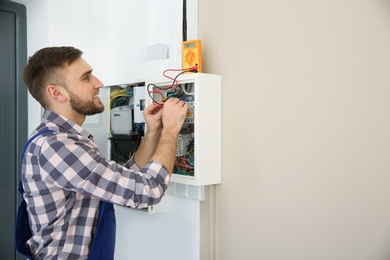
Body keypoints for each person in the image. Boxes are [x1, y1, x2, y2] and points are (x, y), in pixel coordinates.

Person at [18, 46, 188, 259]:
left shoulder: (65, 139)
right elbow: (149, 192)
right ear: (56, 92)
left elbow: (120, 181)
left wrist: (153, 133)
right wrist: (171, 131)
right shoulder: (57, 146)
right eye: (86, 78)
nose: (98, 83)